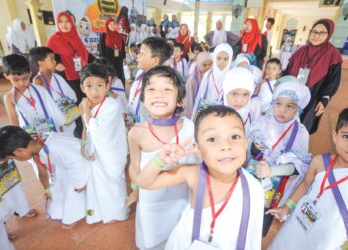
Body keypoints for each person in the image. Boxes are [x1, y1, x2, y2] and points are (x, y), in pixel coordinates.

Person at [132, 105, 264, 249]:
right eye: (212, 139)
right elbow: (144, 183)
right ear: (198, 149)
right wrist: (159, 161)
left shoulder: (254, 188)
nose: (226, 146)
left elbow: (252, 238)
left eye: (234, 136)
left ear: (245, 143)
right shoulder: (192, 174)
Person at [127, 66, 199, 249]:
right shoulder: (136, 133)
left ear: (180, 100)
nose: (158, 94)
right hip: (152, 202)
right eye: (151, 89)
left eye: (167, 89)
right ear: (142, 98)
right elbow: (134, 168)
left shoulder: (191, 129)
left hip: (181, 199)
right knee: (153, 240)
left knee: (178, 238)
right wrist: (135, 189)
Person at [267, 108, 348, 249]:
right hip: (296, 224)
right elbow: (305, 185)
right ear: (335, 136)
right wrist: (286, 207)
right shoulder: (319, 161)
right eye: (346, 136)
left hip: (325, 240)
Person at [247, 79, 311, 237]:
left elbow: (298, 167)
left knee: (259, 226)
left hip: (273, 191)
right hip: (251, 180)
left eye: (290, 106)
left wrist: (272, 171)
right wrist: (254, 147)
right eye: (278, 103)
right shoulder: (262, 123)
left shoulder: (300, 132)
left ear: (298, 109)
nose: (282, 110)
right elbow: (248, 148)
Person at [0, 126, 91, 229]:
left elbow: (79, 162)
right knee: (56, 185)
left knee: (72, 188)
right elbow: (42, 173)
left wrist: (79, 184)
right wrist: (47, 189)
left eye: (13, 157)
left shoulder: (55, 147)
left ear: (18, 152)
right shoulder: (37, 146)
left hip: (87, 164)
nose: (15, 159)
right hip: (72, 167)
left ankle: (73, 215)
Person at [78, 63, 128, 224]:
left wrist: (86, 110)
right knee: (100, 186)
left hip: (111, 152)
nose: (94, 91)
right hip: (96, 152)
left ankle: (119, 212)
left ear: (108, 85)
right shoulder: (86, 105)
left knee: (114, 185)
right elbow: (87, 127)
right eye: (89, 86)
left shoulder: (112, 105)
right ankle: (105, 212)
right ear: (82, 87)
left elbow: (100, 132)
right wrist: (84, 144)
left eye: (100, 85)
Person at [285, 19, 342, 134]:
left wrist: (324, 100)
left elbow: (333, 80)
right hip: (292, 94)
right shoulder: (301, 51)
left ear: (329, 34)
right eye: (314, 31)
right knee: (285, 124)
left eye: (322, 33)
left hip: (314, 97)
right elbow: (287, 71)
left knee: (302, 128)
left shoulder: (333, 54)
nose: (316, 35)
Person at [2, 54, 65, 139]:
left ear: (30, 73)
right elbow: (15, 123)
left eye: (25, 78)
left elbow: (53, 110)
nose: (21, 83)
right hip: (30, 137)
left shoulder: (40, 89)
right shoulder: (9, 98)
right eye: (16, 80)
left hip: (51, 131)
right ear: (6, 76)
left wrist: (60, 130)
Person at [30, 46, 79, 137]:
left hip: (67, 119)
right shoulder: (37, 81)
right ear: (40, 63)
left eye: (54, 59)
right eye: (51, 59)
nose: (55, 61)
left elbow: (72, 96)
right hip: (53, 123)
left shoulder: (57, 77)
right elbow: (42, 106)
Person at [46, 12, 91, 106]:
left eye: (67, 21)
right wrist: (56, 63)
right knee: (73, 101)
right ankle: (78, 120)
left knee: (84, 99)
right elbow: (48, 56)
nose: (64, 25)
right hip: (65, 76)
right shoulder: (54, 39)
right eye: (60, 22)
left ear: (72, 22)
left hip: (80, 74)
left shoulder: (76, 37)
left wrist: (97, 61)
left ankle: (85, 118)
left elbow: (84, 53)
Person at [127, 37, 172, 124]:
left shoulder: (160, 85)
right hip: (134, 125)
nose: (138, 55)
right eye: (139, 52)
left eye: (142, 53)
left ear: (155, 60)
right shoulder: (140, 74)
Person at [192, 43, 233, 119]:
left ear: (230, 60)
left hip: (223, 113)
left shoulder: (231, 77)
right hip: (207, 112)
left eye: (225, 59)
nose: (222, 62)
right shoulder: (208, 75)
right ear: (214, 58)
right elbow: (201, 95)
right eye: (219, 58)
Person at [222, 67, 261, 135]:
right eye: (234, 94)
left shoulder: (252, 117)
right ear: (226, 92)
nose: (239, 100)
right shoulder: (215, 116)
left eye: (245, 94)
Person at [183, 52, 212, 118]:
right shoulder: (193, 79)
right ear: (198, 64)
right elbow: (188, 100)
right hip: (194, 109)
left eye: (210, 64)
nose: (207, 67)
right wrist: (190, 116)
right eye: (204, 65)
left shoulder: (210, 76)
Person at [99, 19, 126, 86]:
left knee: (120, 74)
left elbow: (122, 48)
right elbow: (101, 49)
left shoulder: (119, 35)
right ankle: (109, 91)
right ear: (107, 26)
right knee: (109, 75)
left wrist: (124, 57)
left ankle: (122, 90)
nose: (113, 26)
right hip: (108, 59)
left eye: (114, 24)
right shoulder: (104, 35)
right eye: (110, 24)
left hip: (118, 59)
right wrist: (103, 61)